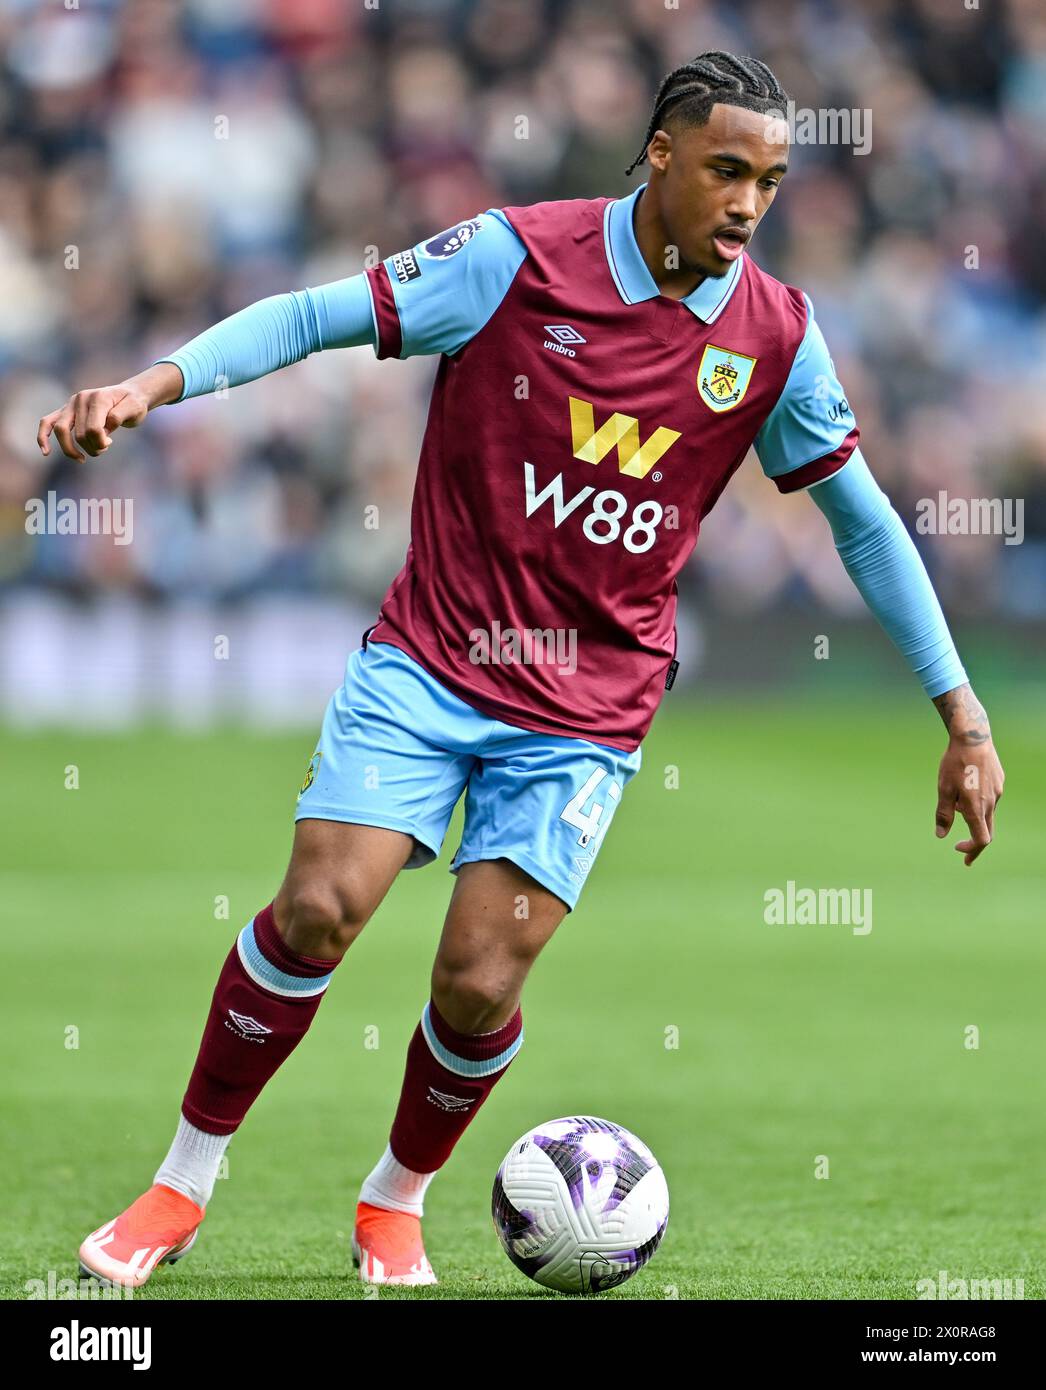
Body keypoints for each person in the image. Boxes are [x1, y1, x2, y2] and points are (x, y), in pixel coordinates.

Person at [38, 51, 1004, 1289]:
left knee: (479, 979)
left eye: (767, 181)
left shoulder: (773, 337)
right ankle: (180, 1183)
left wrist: (960, 714)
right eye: (724, 171)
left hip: (588, 706)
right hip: (434, 655)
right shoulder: (512, 258)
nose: (747, 205)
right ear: (658, 154)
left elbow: (861, 522)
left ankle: (395, 1199)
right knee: (321, 906)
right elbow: (312, 316)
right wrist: (154, 383)